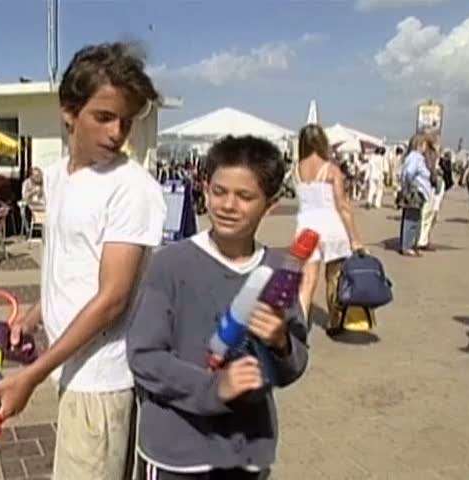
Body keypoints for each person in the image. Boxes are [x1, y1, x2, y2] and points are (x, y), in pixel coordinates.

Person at [0, 42, 166, 480]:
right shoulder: (59, 175)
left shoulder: (131, 188)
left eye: (126, 120)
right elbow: (69, 264)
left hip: (101, 382)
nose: (117, 133)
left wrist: (31, 377)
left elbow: (112, 299)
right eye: (104, 117)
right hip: (70, 370)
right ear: (68, 112)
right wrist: (34, 315)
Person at [127, 135, 307, 480]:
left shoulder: (277, 271)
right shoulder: (170, 264)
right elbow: (144, 356)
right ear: (205, 189)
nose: (228, 205)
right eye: (219, 191)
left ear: (269, 205)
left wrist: (281, 343)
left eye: (245, 196)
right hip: (176, 454)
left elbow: (292, 367)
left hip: (246, 452)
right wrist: (212, 388)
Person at [294, 125, 364, 335]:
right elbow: (343, 206)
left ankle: (301, 321)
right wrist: (355, 238)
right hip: (331, 226)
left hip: (305, 226)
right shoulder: (331, 169)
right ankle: (334, 321)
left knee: (307, 280)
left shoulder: (296, 169)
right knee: (334, 277)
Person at [398, 134, 434, 256]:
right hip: (416, 192)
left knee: (410, 218)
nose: (425, 148)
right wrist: (411, 185)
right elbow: (409, 172)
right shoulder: (416, 157)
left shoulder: (410, 157)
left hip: (414, 191)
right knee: (412, 219)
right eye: (424, 145)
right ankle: (407, 246)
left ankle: (407, 244)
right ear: (419, 145)